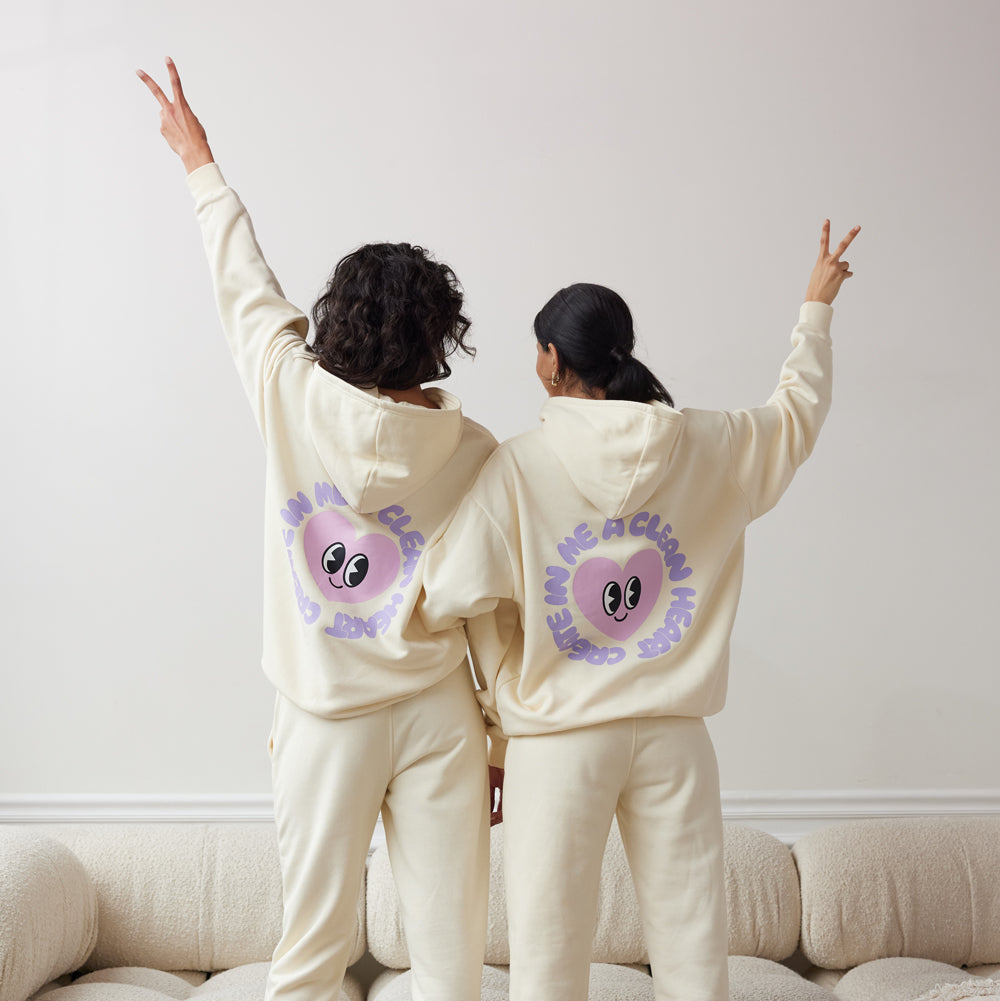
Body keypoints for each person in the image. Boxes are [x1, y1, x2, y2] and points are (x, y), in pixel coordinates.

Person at [419, 221, 860, 1001]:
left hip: (556, 741)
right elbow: (795, 418)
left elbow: (450, 589)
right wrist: (814, 310)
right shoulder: (711, 444)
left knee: (549, 955)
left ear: (553, 362)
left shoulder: (518, 465)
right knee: (693, 949)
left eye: (536, 350)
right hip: (675, 736)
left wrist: (493, 703)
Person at [137, 58, 496, 1001]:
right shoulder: (475, 451)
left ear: (338, 322)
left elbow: (245, 285)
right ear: (439, 337)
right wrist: (498, 736)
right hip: (438, 712)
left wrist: (200, 164)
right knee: (455, 958)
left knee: (307, 954)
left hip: (322, 714)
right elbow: (498, 598)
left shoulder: (289, 393)